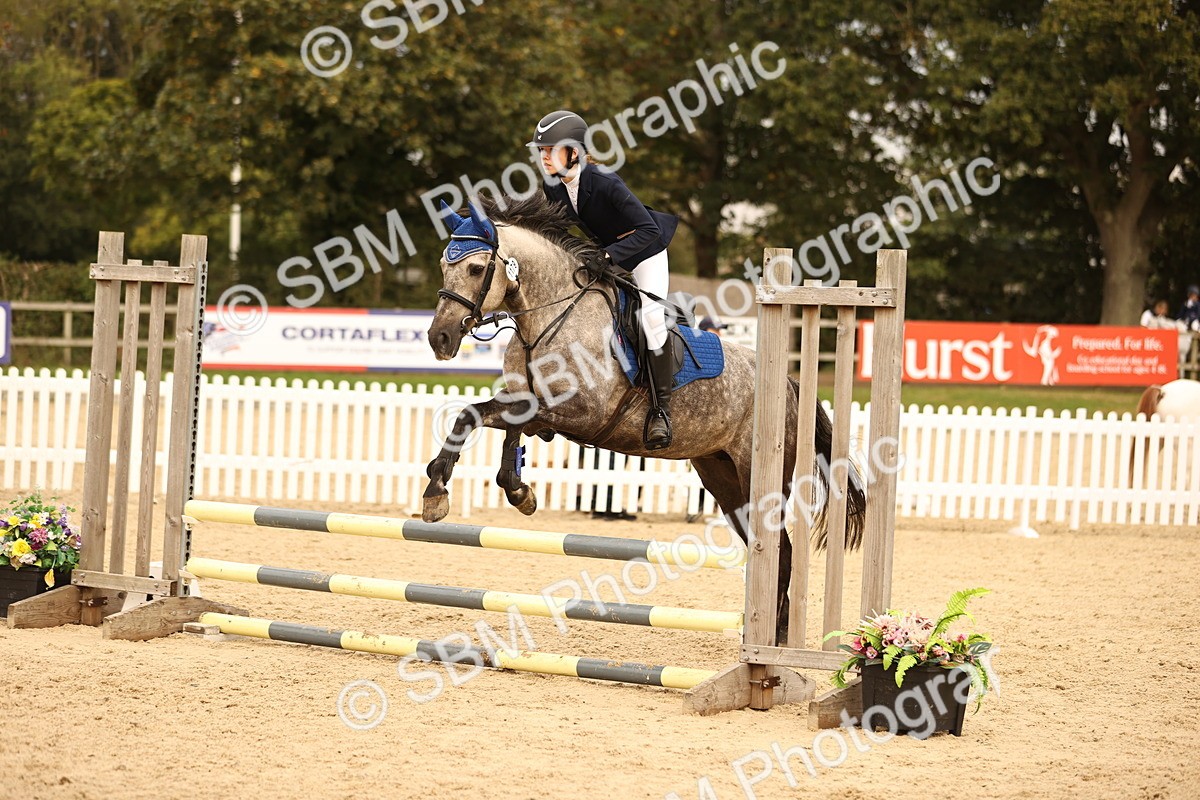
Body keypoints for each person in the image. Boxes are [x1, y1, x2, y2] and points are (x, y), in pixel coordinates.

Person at [528, 110, 680, 450]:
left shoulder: (605, 181)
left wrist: (609, 256)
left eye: (551, 150)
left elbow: (649, 230)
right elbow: (554, 229)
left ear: (574, 152)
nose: (544, 157)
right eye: (541, 151)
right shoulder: (552, 186)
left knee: (651, 318)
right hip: (605, 254)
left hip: (645, 252)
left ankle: (660, 410)